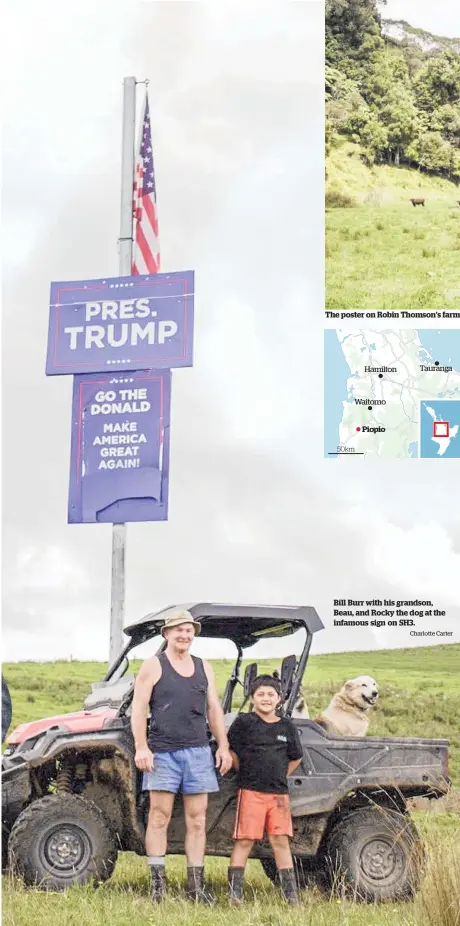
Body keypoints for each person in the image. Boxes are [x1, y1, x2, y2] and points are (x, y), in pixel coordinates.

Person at [131, 608, 232, 903]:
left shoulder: (204, 666)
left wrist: (223, 745)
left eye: (189, 631)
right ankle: (157, 887)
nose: (185, 635)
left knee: (198, 820)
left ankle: (196, 888)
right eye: (179, 630)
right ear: (167, 634)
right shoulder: (153, 665)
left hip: (198, 751)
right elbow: (139, 709)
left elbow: (214, 708)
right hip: (162, 752)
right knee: (159, 817)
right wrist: (141, 746)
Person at [227, 674, 303, 905]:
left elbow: (295, 758)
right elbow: (231, 751)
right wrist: (247, 771)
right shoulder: (243, 723)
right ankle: (234, 894)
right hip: (250, 792)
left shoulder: (286, 726)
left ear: (279, 698)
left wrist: (279, 775)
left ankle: (291, 896)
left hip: (278, 795)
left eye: (271, 694)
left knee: (280, 841)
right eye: (260, 694)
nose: (266, 698)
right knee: (245, 840)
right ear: (252, 698)